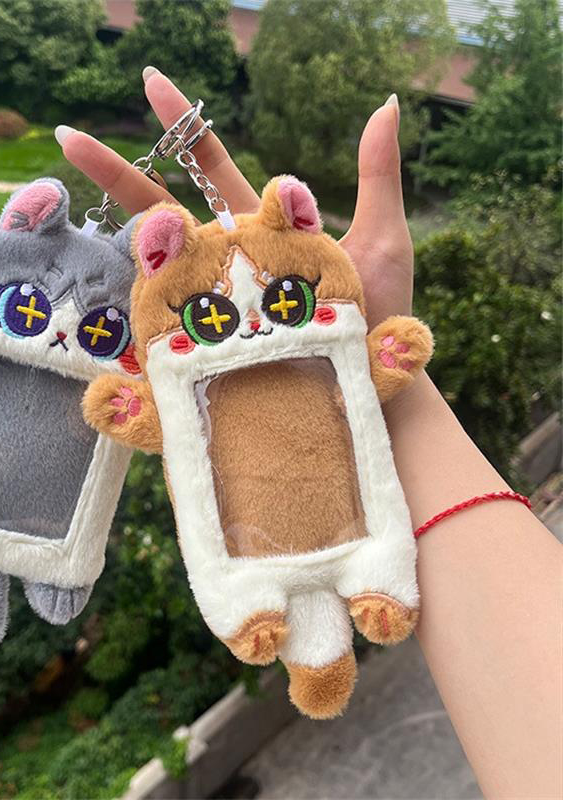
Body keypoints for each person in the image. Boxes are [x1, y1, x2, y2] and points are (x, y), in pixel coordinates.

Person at [54, 67, 563, 799]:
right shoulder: (200, 359)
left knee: (348, 588)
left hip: (340, 530)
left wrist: (386, 365)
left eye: (288, 299)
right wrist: (139, 413)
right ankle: (316, 650)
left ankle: (358, 603)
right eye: (211, 318)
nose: (256, 326)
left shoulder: (298, 331)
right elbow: (168, 426)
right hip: (256, 554)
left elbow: (367, 373)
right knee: (307, 626)